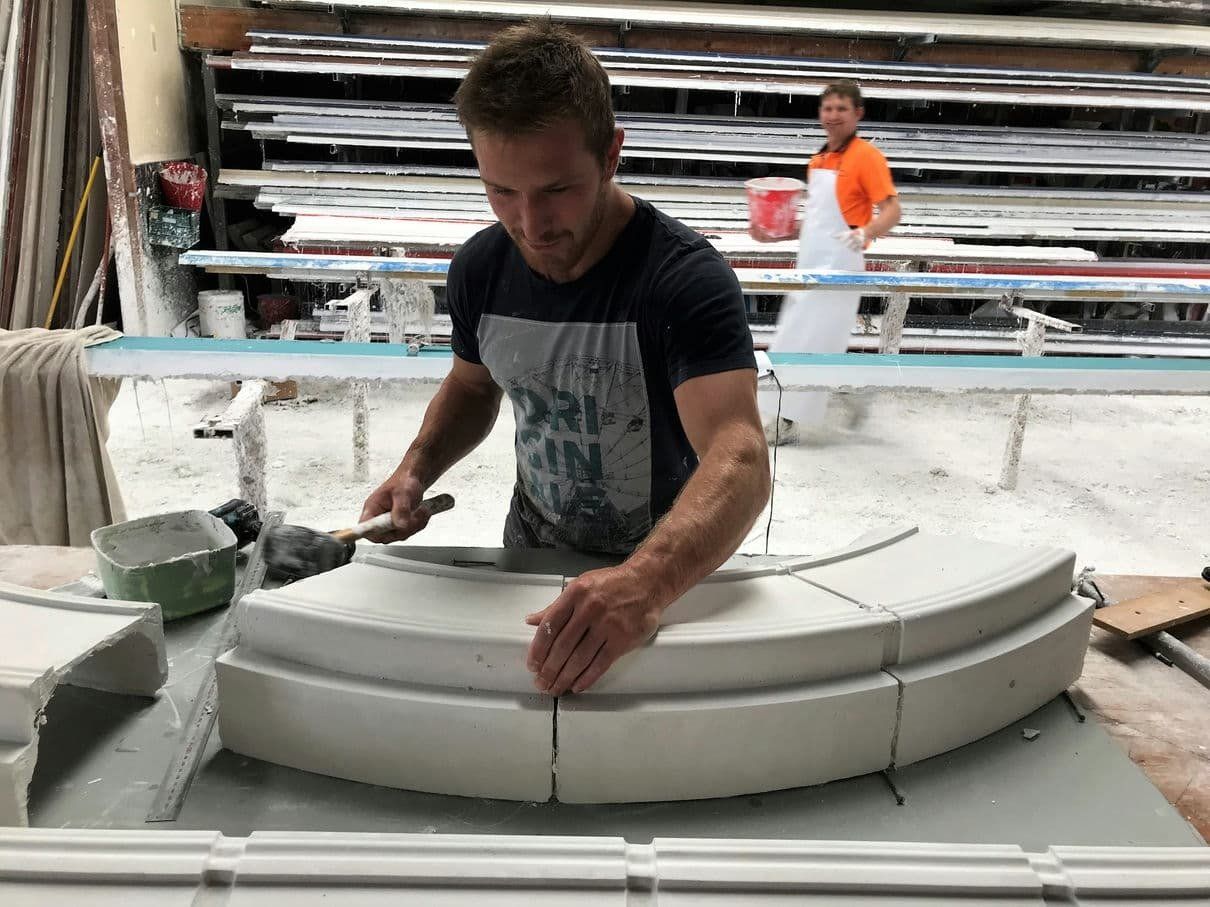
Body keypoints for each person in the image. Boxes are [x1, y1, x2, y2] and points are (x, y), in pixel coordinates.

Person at [360, 21, 770, 697]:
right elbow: (472, 387)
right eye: (501, 191)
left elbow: (742, 456)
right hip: (530, 555)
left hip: (667, 580)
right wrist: (416, 467)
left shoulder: (682, 280)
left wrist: (645, 583)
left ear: (611, 155)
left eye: (555, 190)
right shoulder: (481, 270)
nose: (530, 225)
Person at [760, 80, 901, 445]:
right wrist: (778, 231)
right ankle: (850, 393)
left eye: (842, 109)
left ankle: (787, 420)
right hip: (810, 265)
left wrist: (865, 232)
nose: (834, 115)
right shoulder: (818, 160)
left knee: (809, 342)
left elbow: (892, 211)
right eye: (828, 108)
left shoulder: (867, 158)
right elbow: (817, 221)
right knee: (802, 340)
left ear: (858, 114)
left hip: (840, 267)